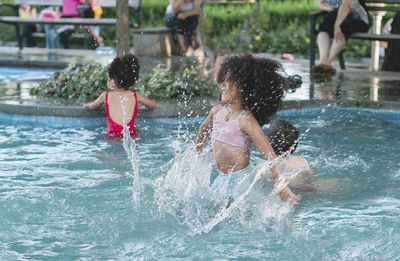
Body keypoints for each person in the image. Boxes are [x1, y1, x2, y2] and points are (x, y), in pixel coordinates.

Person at [195, 54, 300, 205]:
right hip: (221, 180)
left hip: (242, 184)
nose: (222, 85)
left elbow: (270, 157)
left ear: (244, 87)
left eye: (229, 81)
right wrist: (198, 148)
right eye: (223, 79)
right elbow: (204, 128)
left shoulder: (246, 121)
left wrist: (282, 187)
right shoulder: (216, 111)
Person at [83, 54, 161, 138]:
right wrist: (157, 105)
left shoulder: (106, 96)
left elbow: (93, 106)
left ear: (112, 80)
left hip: (112, 135)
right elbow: (151, 105)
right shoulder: (135, 95)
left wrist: (87, 105)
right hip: (131, 135)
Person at [313, 0, 370, 75]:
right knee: (323, 29)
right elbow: (320, 3)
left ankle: (327, 63)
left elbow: (346, 6)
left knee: (341, 28)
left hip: (357, 19)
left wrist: (337, 26)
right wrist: (328, 9)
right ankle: (323, 61)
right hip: (335, 17)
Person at [267, 120, 313, 192]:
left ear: (269, 143)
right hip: (301, 190)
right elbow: (309, 177)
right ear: (295, 144)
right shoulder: (302, 160)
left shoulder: (263, 167)